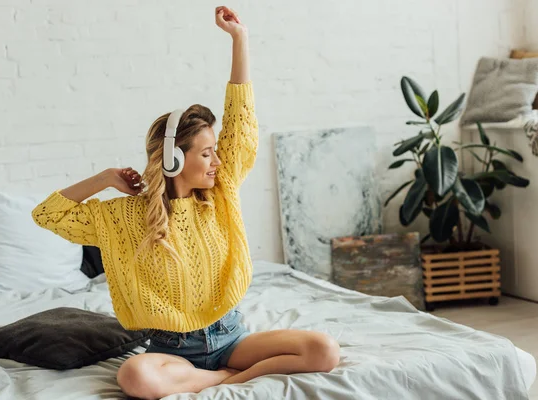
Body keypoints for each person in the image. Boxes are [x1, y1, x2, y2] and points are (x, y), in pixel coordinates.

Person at [32, 6, 340, 399]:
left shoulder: (221, 193)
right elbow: (47, 214)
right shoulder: (125, 216)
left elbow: (241, 123)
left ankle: (225, 377)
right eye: (207, 153)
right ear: (176, 158)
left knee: (324, 350)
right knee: (135, 377)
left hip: (231, 337)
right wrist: (106, 178)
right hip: (173, 351)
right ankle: (223, 379)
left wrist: (239, 39)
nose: (218, 160)